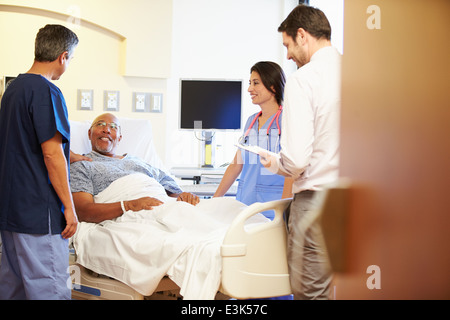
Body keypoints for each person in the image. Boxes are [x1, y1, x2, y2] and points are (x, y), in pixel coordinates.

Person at [259, 5, 342, 299]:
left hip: (317, 203)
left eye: (288, 45)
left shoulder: (304, 79)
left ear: (302, 36)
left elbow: (296, 160)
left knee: (311, 294)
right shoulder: (358, 73)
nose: (288, 55)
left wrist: (274, 162)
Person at [0, 24, 79, 300]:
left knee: (14, 291)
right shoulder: (47, 91)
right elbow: (51, 154)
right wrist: (69, 209)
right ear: (63, 56)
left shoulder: (13, 90)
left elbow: (23, 144)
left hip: (11, 214)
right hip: (38, 216)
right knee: (51, 292)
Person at [70, 113, 200, 223]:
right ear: (89, 133)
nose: (107, 130)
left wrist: (183, 196)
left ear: (119, 138)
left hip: (163, 206)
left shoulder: (138, 162)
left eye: (113, 127)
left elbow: (167, 184)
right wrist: (129, 205)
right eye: (100, 124)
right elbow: (83, 211)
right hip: (134, 217)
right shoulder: (82, 165)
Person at [214, 61, 293, 219]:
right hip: (245, 204)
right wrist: (215, 200)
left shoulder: (288, 121)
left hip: (272, 207)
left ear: (273, 86)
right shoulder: (251, 121)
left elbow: (291, 172)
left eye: (256, 83)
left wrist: (283, 214)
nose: (250, 89)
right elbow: (237, 164)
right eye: (250, 83)